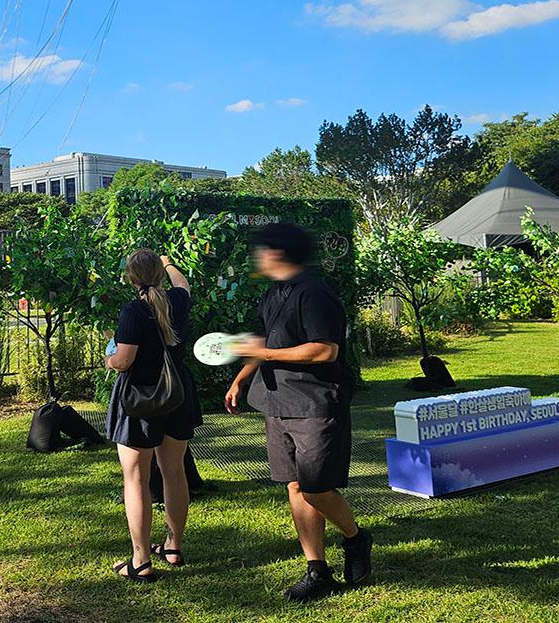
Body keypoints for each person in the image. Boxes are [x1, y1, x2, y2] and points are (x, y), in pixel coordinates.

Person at [225, 223, 372, 602]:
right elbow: (263, 342)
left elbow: (325, 350)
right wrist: (241, 378)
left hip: (315, 404)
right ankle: (317, 570)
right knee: (294, 485)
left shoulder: (314, 293)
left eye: (261, 250)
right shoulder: (273, 294)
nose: (256, 257)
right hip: (278, 404)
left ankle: (356, 538)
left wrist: (265, 355)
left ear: (278, 252)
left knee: (317, 488)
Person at [105, 249, 203, 582]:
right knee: (174, 471)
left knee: (136, 478)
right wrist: (167, 260)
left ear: (131, 278)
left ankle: (141, 559)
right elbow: (183, 283)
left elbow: (124, 360)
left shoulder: (133, 311)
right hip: (177, 396)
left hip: (140, 401)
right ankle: (173, 546)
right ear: (160, 275)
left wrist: (110, 359)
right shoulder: (177, 301)